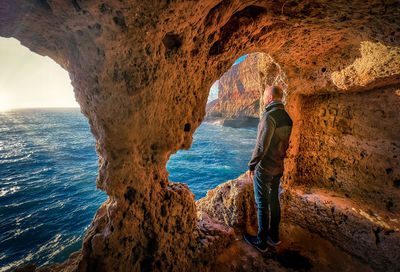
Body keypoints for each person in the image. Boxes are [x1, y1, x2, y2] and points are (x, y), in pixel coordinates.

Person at [243, 85, 293, 252]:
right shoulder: (286, 117)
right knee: (274, 201)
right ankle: (274, 237)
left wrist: (251, 164)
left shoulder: (269, 116)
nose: (263, 99)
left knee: (262, 205)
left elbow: (261, 146)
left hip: (265, 168)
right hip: (279, 166)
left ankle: (261, 242)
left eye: (264, 96)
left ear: (270, 98)